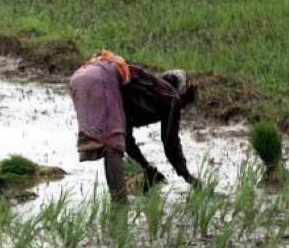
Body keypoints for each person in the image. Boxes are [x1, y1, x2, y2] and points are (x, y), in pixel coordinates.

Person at [68, 50, 198, 202]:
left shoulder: (136, 93)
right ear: (183, 96)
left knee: (110, 144)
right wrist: (188, 177)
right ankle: (120, 204)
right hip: (102, 78)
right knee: (113, 146)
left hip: (79, 78)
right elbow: (170, 143)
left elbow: (127, 140)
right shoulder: (172, 97)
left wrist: (146, 167)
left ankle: (117, 203)